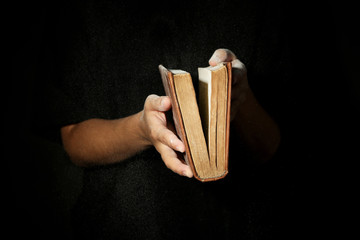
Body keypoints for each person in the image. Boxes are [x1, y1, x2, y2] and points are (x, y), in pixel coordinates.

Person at [50, 0, 297, 239]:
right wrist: (142, 130)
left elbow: (278, 149)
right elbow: (74, 141)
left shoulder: (262, 7)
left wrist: (240, 99)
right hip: (125, 224)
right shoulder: (84, 8)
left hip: (246, 224)